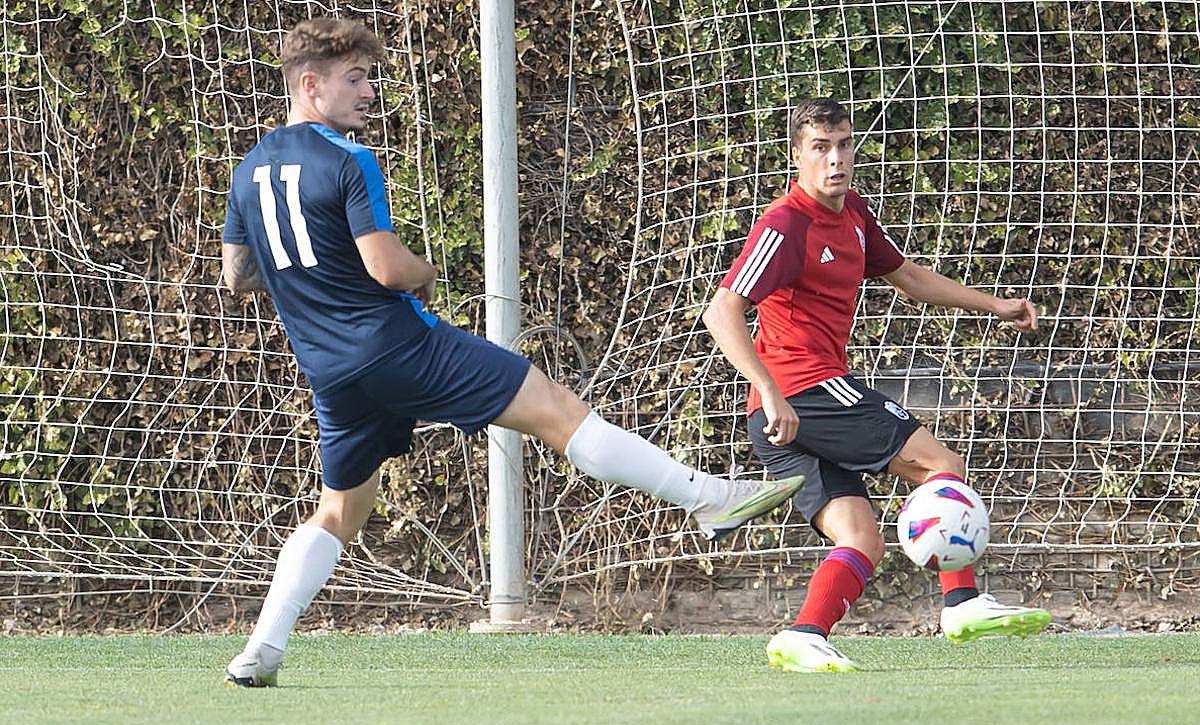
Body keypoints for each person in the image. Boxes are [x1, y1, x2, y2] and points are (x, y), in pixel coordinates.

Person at [219, 18, 803, 687]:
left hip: (330, 373)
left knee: (337, 512)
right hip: (399, 345)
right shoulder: (349, 160)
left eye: (371, 77)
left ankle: (260, 650)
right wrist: (425, 268)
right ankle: (708, 498)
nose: (371, 91)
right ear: (311, 84)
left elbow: (237, 276)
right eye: (356, 78)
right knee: (557, 410)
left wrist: (311, 277)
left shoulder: (247, 171)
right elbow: (385, 269)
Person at [702, 97, 1051, 673]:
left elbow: (909, 277)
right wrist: (772, 389)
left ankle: (803, 635)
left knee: (861, 538)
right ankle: (960, 602)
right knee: (941, 466)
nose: (835, 159)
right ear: (797, 156)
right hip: (804, 392)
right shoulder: (786, 225)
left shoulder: (855, 216)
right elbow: (722, 312)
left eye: (843, 144)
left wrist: (997, 305)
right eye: (820, 147)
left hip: (787, 413)